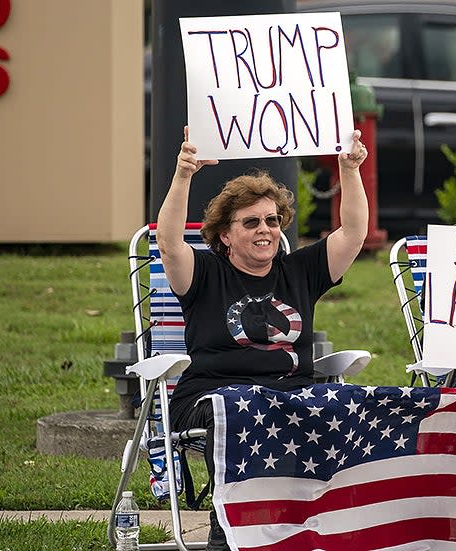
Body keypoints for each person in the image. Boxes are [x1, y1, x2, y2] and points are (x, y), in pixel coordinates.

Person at [157, 126, 369, 551]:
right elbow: (167, 241)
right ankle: (229, 533)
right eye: (251, 221)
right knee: (239, 410)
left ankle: (325, 526)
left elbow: (353, 234)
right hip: (213, 397)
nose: (265, 229)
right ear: (225, 235)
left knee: (354, 403)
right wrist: (183, 176)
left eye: (272, 220)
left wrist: (349, 170)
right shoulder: (204, 273)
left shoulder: (299, 271)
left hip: (289, 393)